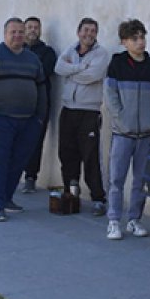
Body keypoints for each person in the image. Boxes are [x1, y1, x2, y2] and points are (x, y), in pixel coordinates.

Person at [0, 18, 48, 222]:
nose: (18, 35)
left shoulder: (32, 59)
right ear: (5, 34)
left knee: (18, 162)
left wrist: (40, 117)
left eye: (21, 32)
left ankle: (7, 198)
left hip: (28, 121)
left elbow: (42, 87)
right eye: (13, 32)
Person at [103, 19, 150, 240]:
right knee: (116, 179)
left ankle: (133, 219)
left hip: (146, 134)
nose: (140, 42)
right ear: (124, 42)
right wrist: (120, 117)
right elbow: (110, 94)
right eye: (134, 38)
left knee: (141, 180)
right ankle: (113, 220)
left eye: (142, 37)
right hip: (122, 133)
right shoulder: (117, 63)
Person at [55, 17, 110, 216]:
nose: (89, 34)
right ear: (79, 32)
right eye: (85, 30)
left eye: (93, 31)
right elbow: (58, 68)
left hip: (89, 111)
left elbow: (92, 76)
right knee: (67, 152)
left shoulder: (101, 54)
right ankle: (71, 194)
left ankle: (98, 198)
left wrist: (72, 71)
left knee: (90, 155)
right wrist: (79, 68)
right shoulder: (71, 49)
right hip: (68, 109)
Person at [21, 16, 58, 193]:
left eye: (36, 27)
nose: (33, 30)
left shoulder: (48, 52)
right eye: (29, 27)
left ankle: (30, 177)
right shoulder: (15, 50)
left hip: (39, 105)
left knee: (35, 141)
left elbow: (44, 72)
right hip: (16, 104)